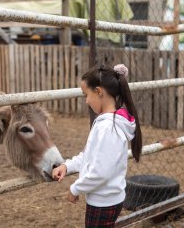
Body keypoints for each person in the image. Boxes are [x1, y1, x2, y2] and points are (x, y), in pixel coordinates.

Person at [52, 64, 142, 228]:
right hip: (107, 198)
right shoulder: (110, 123)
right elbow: (90, 156)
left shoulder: (108, 128)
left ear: (99, 92)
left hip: (103, 201)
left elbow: (100, 172)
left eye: (86, 95)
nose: (86, 101)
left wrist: (75, 189)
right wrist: (67, 165)